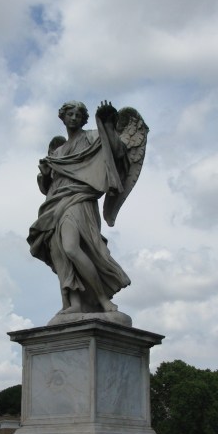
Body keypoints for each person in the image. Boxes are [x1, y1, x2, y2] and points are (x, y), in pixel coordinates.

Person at [28, 100, 131, 315]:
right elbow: (47, 186)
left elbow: (118, 153)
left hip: (79, 199)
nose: (74, 118)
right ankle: (73, 303)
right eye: (70, 114)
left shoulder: (92, 137)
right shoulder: (58, 151)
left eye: (78, 115)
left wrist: (108, 124)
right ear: (63, 117)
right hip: (55, 203)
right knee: (61, 255)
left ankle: (103, 299)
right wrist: (45, 174)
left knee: (71, 248)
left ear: (84, 119)